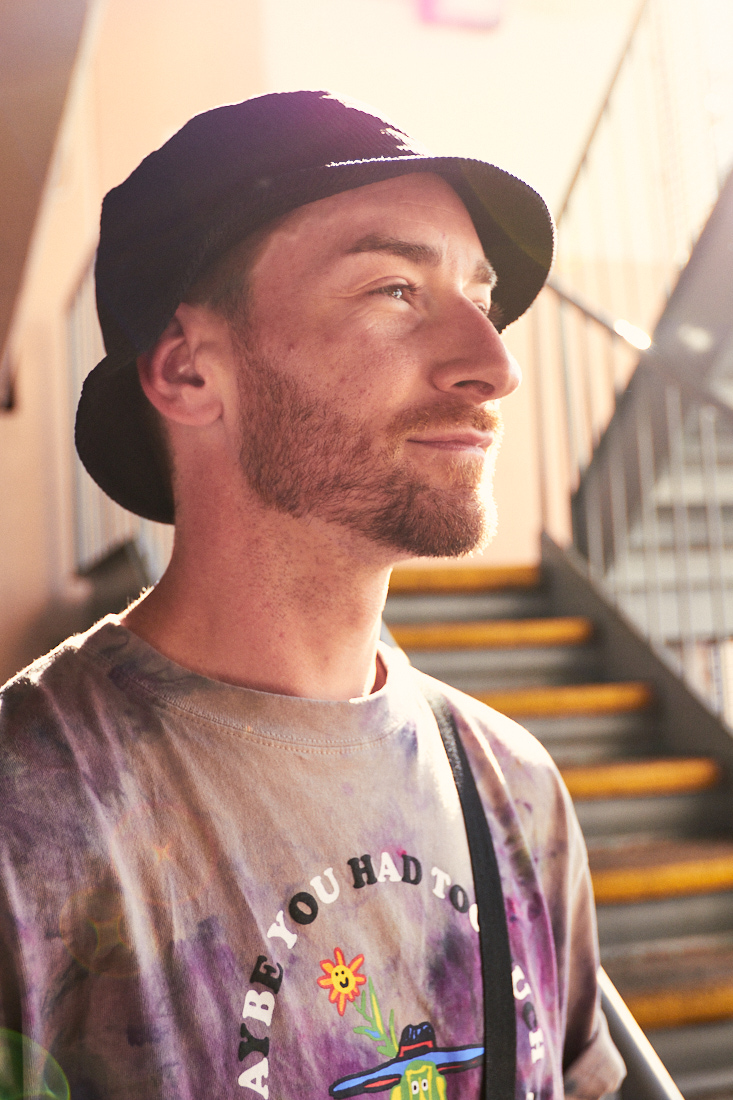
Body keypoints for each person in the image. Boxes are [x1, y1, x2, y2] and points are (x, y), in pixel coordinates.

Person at [0, 91, 625, 1100]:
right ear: (187, 371)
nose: (495, 364)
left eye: (480, 295)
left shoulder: (515, 789)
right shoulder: (30, 817)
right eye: (394, 289)